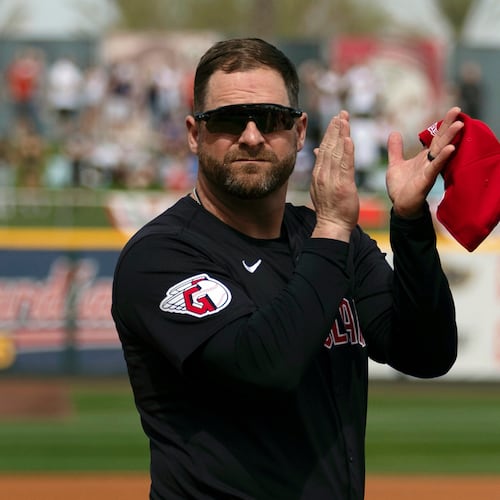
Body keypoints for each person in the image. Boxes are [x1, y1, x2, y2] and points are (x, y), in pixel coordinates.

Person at [112, 38, 461, 499]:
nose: (252, 136)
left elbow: (426, 353)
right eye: (230, 120)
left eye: (271, 119)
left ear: (299, 132)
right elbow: (263, 367)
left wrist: (411, 223)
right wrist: (335, 226)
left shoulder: (332, 240)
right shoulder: (161, 256)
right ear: (194, 134)